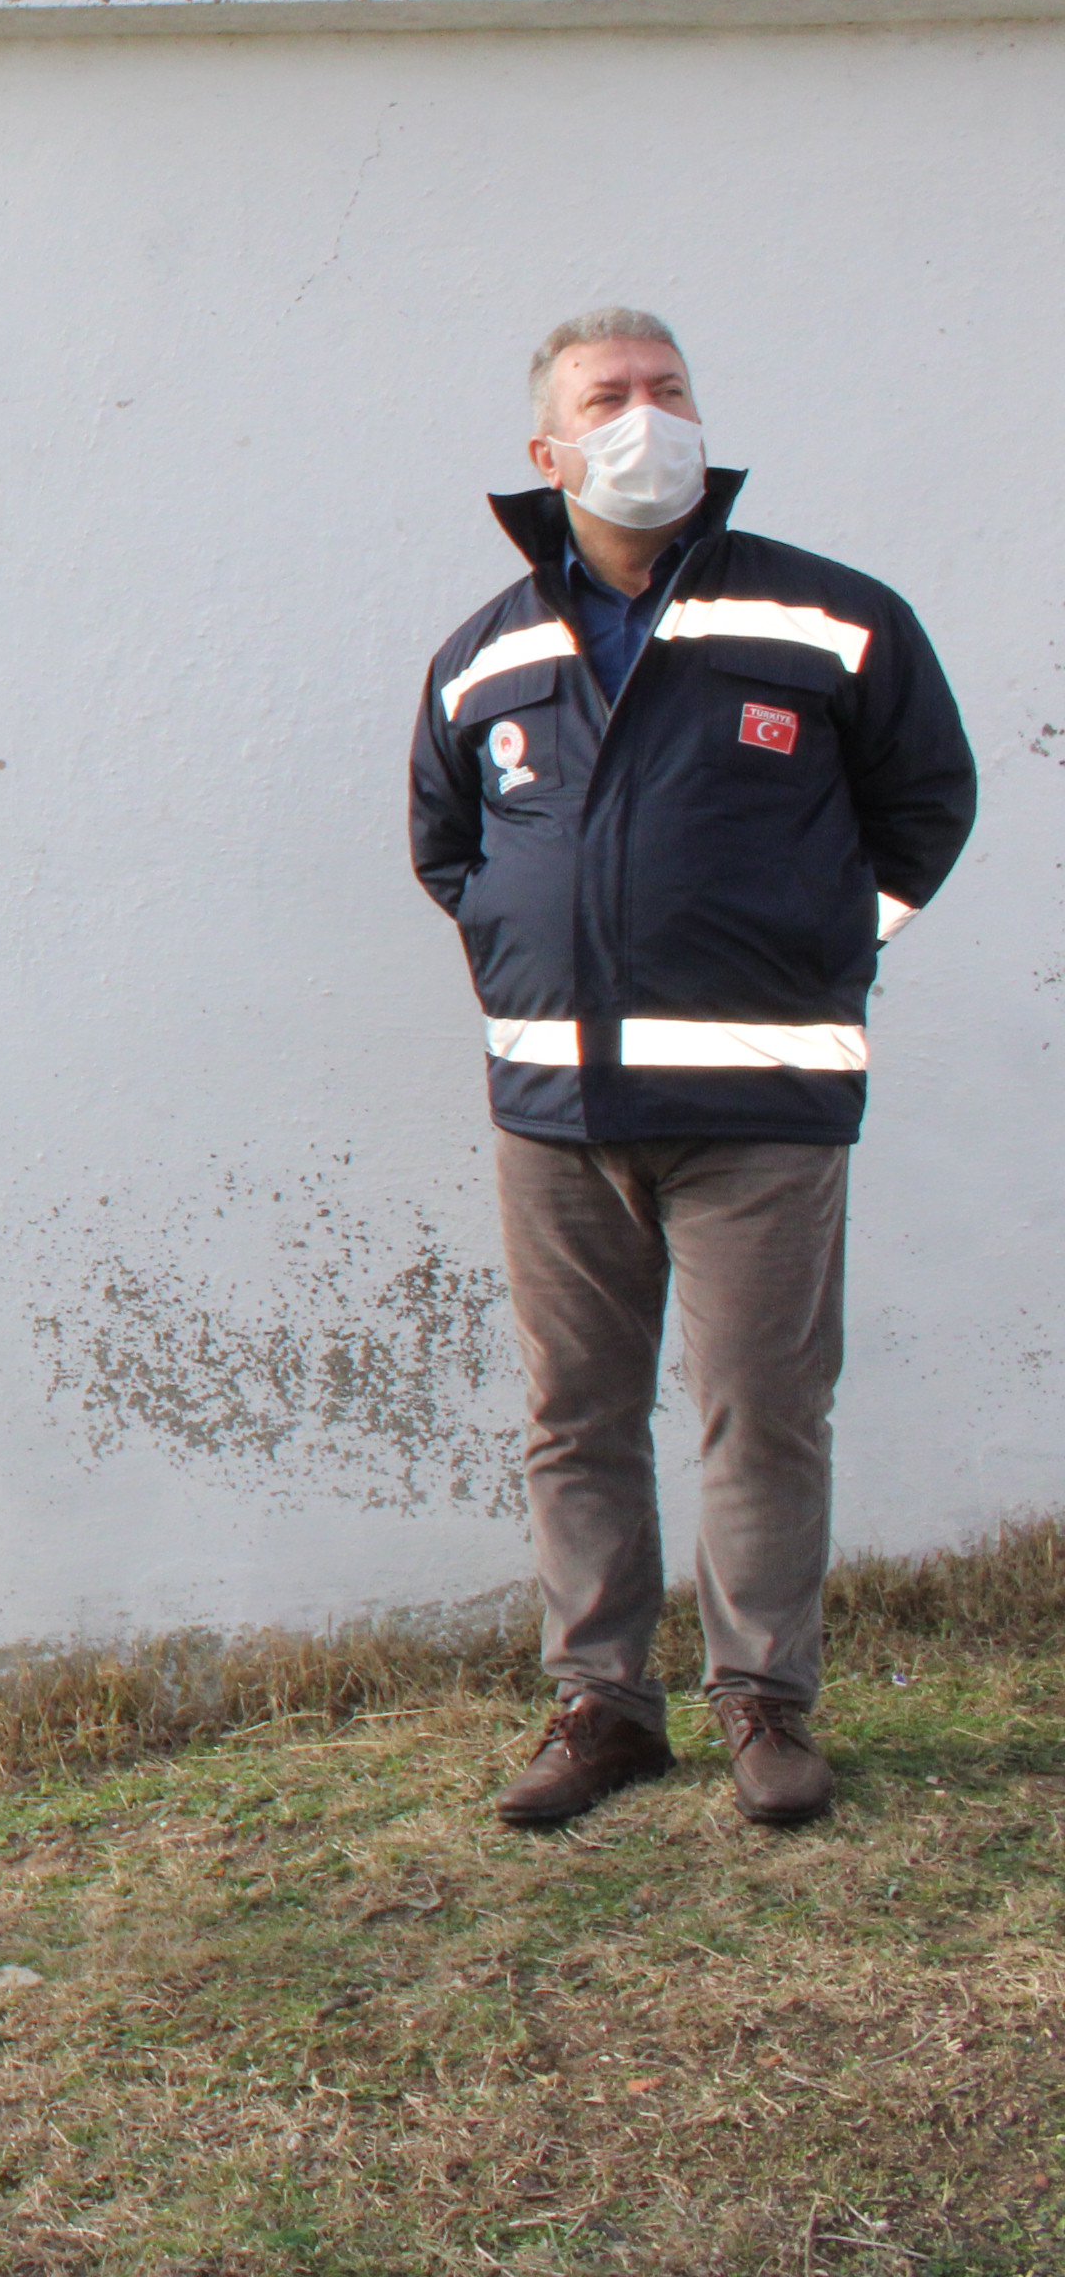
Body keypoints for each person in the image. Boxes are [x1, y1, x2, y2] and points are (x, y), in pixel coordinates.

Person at [410, 309, 975, 1831]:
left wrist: (822, 945)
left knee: (764, 1412)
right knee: (577, 1417)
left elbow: (928, 808)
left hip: (761, 1109)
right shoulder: (485, 655)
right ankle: (603, 1706)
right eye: (609, 396)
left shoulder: (833, 619)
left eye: (668, 390)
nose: (644, 416)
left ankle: (763, 1704)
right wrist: (539, 975)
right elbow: (448, 851)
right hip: (554, 1113)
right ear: (547, 450)